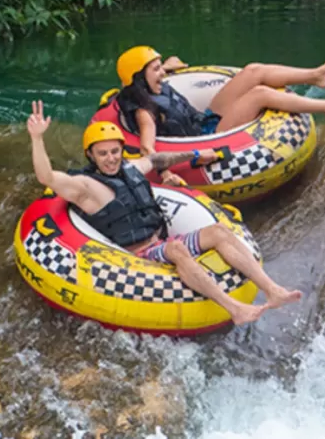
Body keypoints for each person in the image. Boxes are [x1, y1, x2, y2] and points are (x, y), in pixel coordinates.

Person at [26, 100, 303, 325]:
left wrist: (195, 155)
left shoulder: (131, 168)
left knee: (219, 231)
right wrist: (37, 138)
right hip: (137, 255)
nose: (111, 159)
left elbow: (158, 159)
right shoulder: (85, 187)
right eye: (103, 154)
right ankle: (235, 309)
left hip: (160, 240)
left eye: (114, 151)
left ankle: (272, 290)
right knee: (176, 250)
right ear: (91, 156)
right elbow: (46, 177)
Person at [114, 46, 325, 186]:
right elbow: (147, 148)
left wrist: (168, 65)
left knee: (253, 71)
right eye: (156, 69)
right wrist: (166, 173)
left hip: (202, 121)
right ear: (139, 78)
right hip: (209, 137)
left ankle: (316, 76)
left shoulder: (148, 85)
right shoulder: (145, 111)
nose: (162, 73)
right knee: (259, 94)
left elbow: (154, 77)